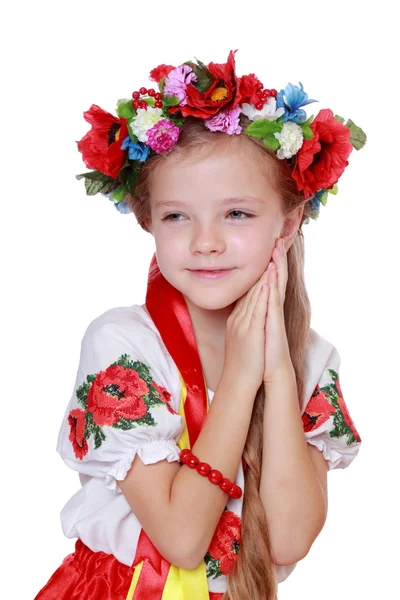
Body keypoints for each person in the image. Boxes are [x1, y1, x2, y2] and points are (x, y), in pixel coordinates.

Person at [34, 50, 365, 600]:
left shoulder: (310, 361)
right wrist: (239, 379)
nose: (205, 241)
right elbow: (183, 542)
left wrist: (278, 375)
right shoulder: (124, 345)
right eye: (176, 215)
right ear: (148, 220)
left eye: (236, 213)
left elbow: (286, 540)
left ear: (287, 222)